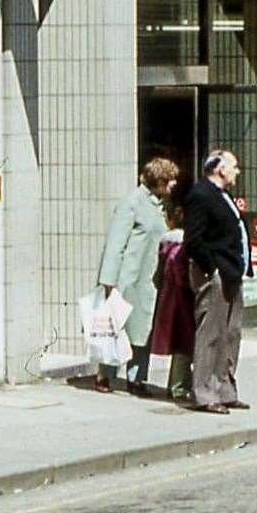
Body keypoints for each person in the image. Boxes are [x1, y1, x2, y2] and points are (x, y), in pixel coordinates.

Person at [94, 157, 177, 394]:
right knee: (117, 325)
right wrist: (109, 280)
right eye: (169, 181)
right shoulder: (131, 203)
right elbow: (115, 243)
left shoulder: (161, 205)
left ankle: (136, 378)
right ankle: (105, 374)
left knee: (144, 327)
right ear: (158, 181)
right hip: (128, 277)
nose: (173, 186)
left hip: (149, 278)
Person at [182, 150, 252, 414]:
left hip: (233, 272)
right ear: (220, 168)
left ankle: (225, 389)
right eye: (234, 166)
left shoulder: (224, 196)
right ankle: (204, 393)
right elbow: (194, 239)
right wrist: (210, 268)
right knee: (210, 334)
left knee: (231, 334)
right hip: (216, 274)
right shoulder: (201, 195)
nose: (238, 171)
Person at [149, 203, 195, 403]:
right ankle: (178, 386)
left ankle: (177, 384)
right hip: (183, 301)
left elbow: (158, 277)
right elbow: (182, 276)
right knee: (184, 345)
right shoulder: (181, 247)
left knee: (180, 345)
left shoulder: (165, 245)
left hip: (168, 300)